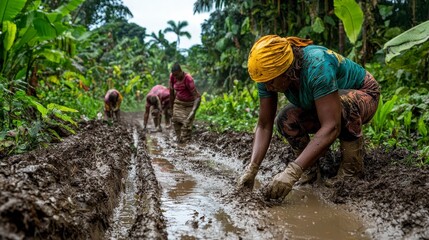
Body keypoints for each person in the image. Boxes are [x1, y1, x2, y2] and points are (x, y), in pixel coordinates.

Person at [237, 35, 380, 201]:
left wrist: (292, 171)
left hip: (364, 96)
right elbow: (264, 125)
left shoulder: (317, 66)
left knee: (344, 105)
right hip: (325, 103)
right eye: (264, 82)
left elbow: (332, 126)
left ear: (287, 71)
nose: (268, 87)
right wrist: (252, 169)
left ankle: (352, 171)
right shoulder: (269, 75)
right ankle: (310, 172)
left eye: (271, 82)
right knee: (286, 119)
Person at [169, 62, 201, 143]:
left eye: (177, 75)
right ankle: (179, 140)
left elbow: (197, 97)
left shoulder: (188, 79)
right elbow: (171, 93)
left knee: (186, 124)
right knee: (175, 120)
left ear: (181, 71)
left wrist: (193, 111)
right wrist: (171, 108)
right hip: (178, 102)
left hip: (189, 104)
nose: (175, 77)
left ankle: (186, 142)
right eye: (174, 75)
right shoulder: (172, 77)